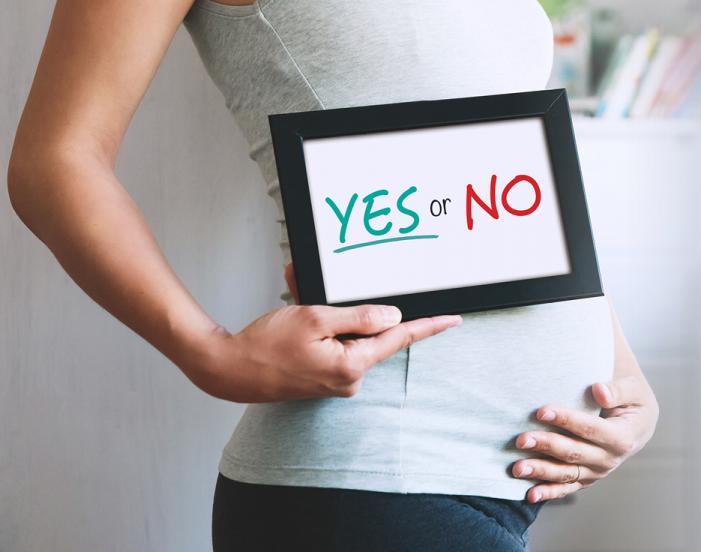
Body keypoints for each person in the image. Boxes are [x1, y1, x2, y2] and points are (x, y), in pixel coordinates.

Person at [7, 1, 659, 550]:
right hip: (370, 481)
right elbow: (53, 161)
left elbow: (508, 181)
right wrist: (209, 353)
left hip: (492, 484)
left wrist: (620, 373)